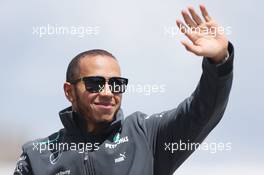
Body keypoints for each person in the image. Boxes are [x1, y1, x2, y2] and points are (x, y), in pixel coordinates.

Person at [14, 4, 234, 175]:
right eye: (95, 83)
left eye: (116, 84)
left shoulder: (147, 135)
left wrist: (219, 62)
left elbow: (202, 111)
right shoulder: (37, 156)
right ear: (69, 91)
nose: (108, 92)